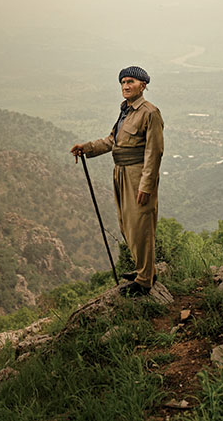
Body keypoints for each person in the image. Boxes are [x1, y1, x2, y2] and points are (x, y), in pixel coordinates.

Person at [71, 65, 164, 297]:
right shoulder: (126, 112)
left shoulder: (150, 113)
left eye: (130, 81)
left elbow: (154, 152)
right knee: (126, 224)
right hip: (120, 172)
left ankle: (144, 281)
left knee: (140, 225)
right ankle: (146, 269)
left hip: (137, 173)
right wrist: (87, 148)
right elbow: (112, 141)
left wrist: (146, 184)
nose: (125, 86)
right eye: (122, 82)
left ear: (143, 85)